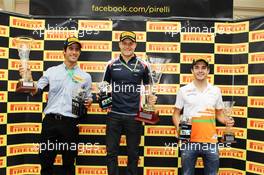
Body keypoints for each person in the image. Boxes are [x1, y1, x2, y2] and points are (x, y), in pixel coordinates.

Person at [19, 36, 93, 175]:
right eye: (71, 49)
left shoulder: (86, 76)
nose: (74, 52)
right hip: (50, 122)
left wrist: (89, 102)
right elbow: (36, 90)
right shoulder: (51, 71)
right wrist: (28, 78)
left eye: (77, 49)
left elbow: (88, 99)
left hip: (71, 124)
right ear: (64, 51)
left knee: (69, 163)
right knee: (45, 162)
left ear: (79, 53)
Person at [102, 31, 157, 175]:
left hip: (134, 115)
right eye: (124, 43)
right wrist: (102, 97)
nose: (127, 46)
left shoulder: (143, 65)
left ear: (135, 45)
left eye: (130, 43)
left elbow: (149, 87)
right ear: (120, 44)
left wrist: (151, 98)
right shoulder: (111, 64)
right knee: (111, 153)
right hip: (113, 115)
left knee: (133, 154)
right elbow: (104, 86)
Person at [172, 58, 235, 175]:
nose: (200, 71)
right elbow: (176, 114)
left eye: (203, 68)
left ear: (208, 71)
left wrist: (227, 120)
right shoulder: (183, 90)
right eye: (197, 67)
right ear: (192, 70)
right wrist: (178, 128)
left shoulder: (216, 90)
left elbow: (220, 114)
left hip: (211, 141)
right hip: (188, 141)